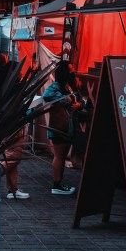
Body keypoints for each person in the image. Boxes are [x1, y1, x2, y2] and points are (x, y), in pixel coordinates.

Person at [44, 61, 80, 195]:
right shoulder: (56, 86)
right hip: (59, 127)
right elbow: (46, 95)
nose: (73, 72)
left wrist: (77, 105)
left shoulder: (67, 86)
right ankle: (57, 184)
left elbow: (77, 101)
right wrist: (67, 100)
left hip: (66, 126)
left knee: (62, 155)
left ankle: (59, 183)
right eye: (70, 70)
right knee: (59, 156)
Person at [1, 126, 29, 200]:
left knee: (12, 161)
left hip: (12, 129)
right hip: (13, 130)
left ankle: (12, 190)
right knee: (13, 158)